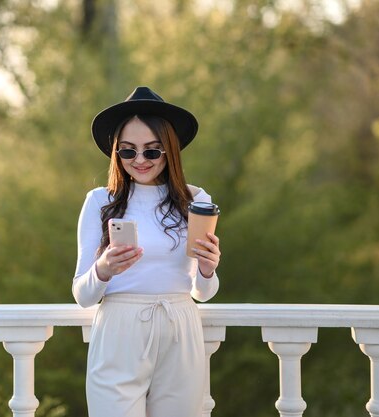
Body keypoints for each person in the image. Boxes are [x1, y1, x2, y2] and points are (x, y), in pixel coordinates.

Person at [72, 86, 221, 417]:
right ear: (117, 154)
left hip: (179, 328)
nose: (139, 160)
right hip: (119, 331)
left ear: (169, 152)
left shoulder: (197, 201)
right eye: (128, 151)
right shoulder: (100, 201)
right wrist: (103, 270)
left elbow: (203, 292)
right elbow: (82, 295)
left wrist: (208, 270)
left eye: (151, 152)